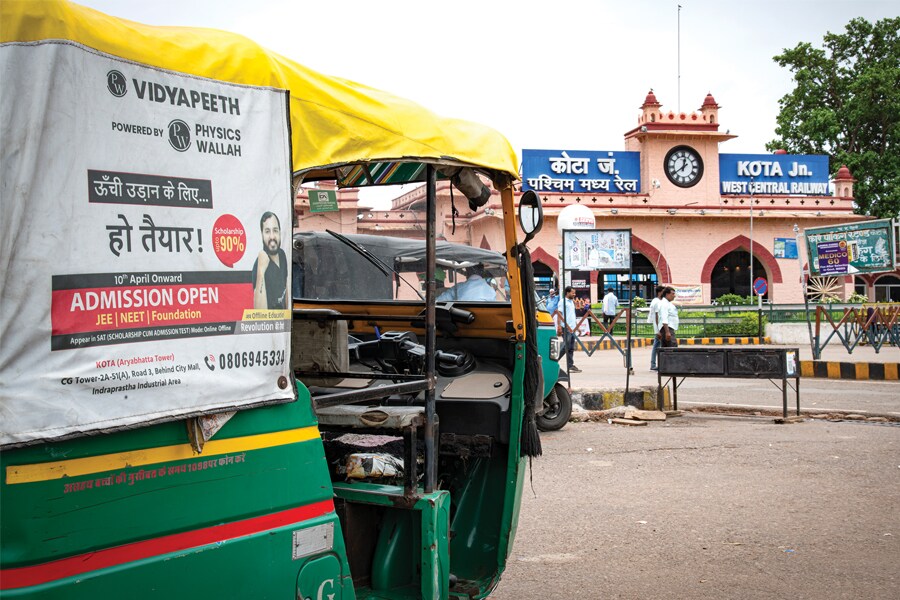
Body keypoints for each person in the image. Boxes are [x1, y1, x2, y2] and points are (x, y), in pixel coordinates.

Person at [252, 211, 288, 309]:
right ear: (262, 234)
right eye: (267, 231)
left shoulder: (283, 255)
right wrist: (261, 271)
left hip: (284, 321)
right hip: (268, 324)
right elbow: (259, 312)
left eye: (275, 230)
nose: (272, 236)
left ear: (280, 232)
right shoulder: (258, 265)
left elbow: (286, 292)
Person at [559, 286, 581, 373]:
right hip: (566, 327)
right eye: (573, 293)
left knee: (571, 348)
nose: (574, 294)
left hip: (572, 328)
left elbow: (572, 316)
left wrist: (577, 327)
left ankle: (570, 366)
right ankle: (553, 362)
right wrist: (559, 326)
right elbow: (559, 313)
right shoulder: (562, 302)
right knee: (565, 347)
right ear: (567, 293)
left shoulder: (571, 302)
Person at [648, 285, 665, 371]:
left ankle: (654, 364)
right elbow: (657, 316)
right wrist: (659, 330)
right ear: (660, 292)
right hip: (659, 328)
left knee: (656, 346)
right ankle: (655, 364)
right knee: (658, 346)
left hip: (658, 327)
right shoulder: (657, 302)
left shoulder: (655, 301)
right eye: (663, 291)